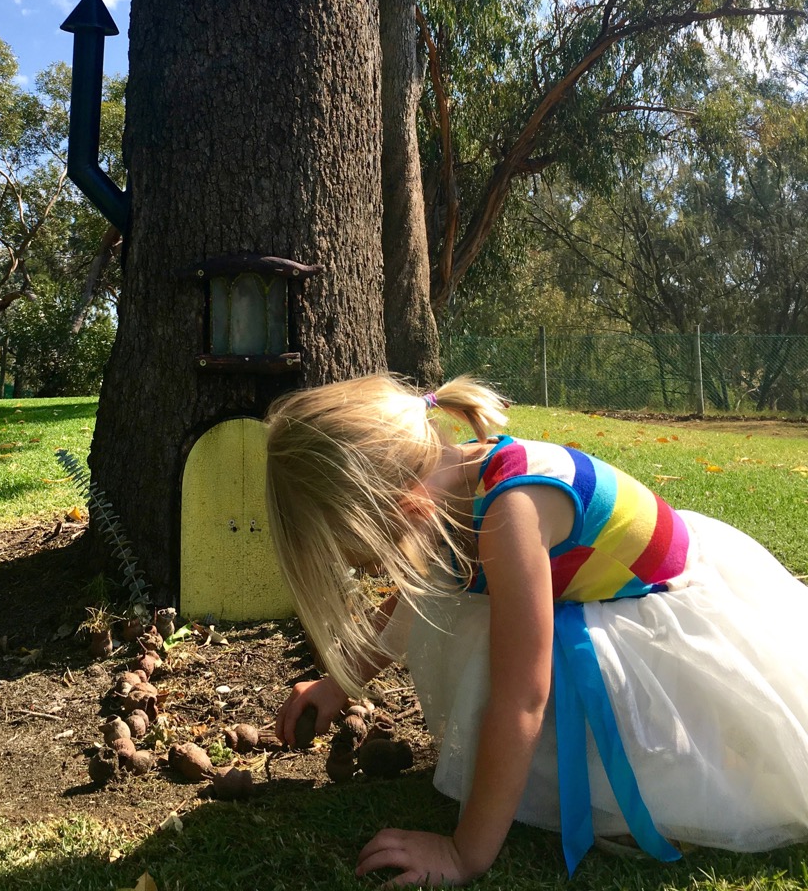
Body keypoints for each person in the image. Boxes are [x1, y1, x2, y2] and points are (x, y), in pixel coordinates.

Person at [265, 373, 808, 887]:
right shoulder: (447, 483)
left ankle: (655, 776)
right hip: (599, 592)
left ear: (409, 508)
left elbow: (523, 694)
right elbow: (411, 601)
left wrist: (464, 852)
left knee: (522, 661)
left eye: (370, 557)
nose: (376, 571)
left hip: (658, 625)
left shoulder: (509, 511)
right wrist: (338, 682)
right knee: (460, 610)